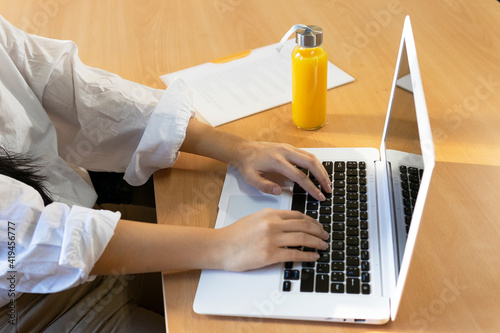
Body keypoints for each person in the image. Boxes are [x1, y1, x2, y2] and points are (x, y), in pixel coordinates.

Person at [0, 15, 331, 332]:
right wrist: (224, 246)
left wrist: (238, 148)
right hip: (29, 303)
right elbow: (28, 241)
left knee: (269, 272)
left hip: (83, 222)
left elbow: (67, 84)